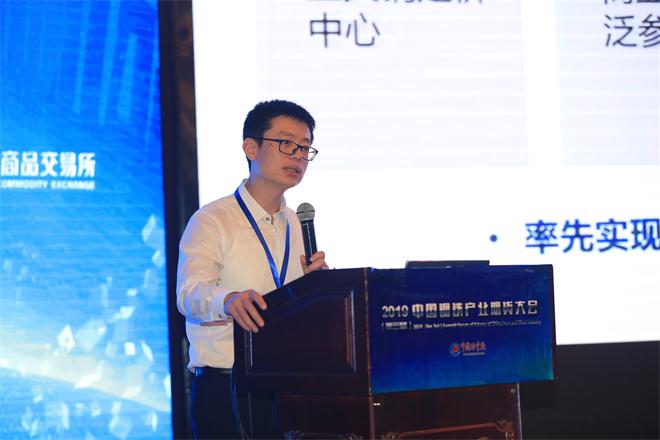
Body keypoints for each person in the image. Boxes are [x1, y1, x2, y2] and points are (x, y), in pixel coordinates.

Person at [176, 99, 328, 439]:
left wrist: (317, 290)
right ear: (251, 148)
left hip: (288, 384)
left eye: (305, 148)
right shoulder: (212, 220)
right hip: (226, 386)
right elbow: (188, 294)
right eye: (286, 143)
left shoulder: (297, 223)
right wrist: (228, 300)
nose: (298, 156)